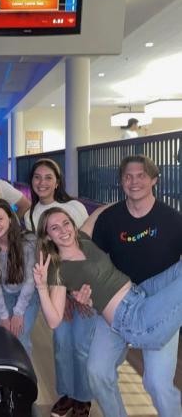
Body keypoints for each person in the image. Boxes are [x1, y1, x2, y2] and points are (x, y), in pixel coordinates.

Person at [84, 155, 182, 417]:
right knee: (97, 372)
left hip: (157, 305)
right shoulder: (109, 219)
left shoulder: (172, 219)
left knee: (158, 384)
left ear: (154, 180)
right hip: (118, 301)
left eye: (141, 176)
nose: (134, 181)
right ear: (121, 182)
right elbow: (94, 261)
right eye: (128, 176)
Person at [34, 207, 181, 350]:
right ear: (47, 236)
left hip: (139, 293)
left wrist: (128, 201)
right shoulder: (59, 269)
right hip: (132, 319)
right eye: (55, 228)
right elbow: (54, 321)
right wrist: (41, 287)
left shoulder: (82, 238)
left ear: (72, 224)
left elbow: (97, 213)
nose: (63, 230)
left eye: (66, 223)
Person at [24, 158, 94, 417]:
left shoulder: (73, 207)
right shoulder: (30, 214)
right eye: (37, 177)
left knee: (80, 345)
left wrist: (85, 289)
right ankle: (67, 393)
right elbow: (44, 254)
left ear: (57, 181)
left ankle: (83, 397)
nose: (42, 182)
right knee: (62, 343)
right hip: (57, 288)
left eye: (48, 177)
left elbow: (88, 245)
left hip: (84, 290)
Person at [0, 199, 38, 357]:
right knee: (3, 338)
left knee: (20, 338)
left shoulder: (28, 241)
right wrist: (4, 316)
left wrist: (18, 313)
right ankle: (6, 380)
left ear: (10, 219)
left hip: (28, 293)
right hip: (3, 292)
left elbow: (30, 281)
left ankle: (25, 380)